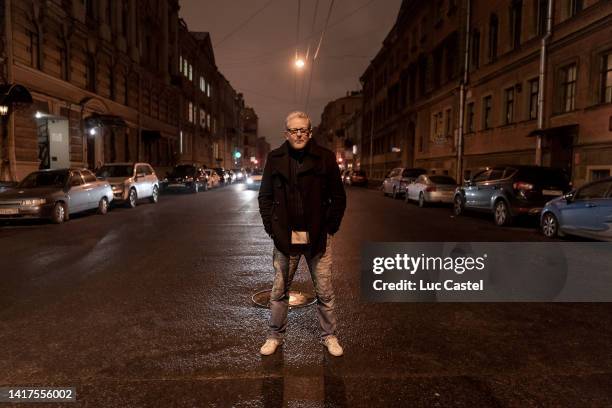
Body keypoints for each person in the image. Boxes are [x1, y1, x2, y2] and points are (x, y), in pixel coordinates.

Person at [258, 111, 346, 357]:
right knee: (279, 291)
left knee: (325, 291)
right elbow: (265, 197)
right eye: (293, 130)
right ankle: (275, 336)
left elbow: (338, 197)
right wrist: (272, 229)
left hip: (317, 236)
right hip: (285, 238)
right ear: (286, 133)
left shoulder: (325, 159)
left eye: (303, 130)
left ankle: (329, 336)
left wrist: (330, 227)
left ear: (310, 132)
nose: (298, 134)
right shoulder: (275, 158)